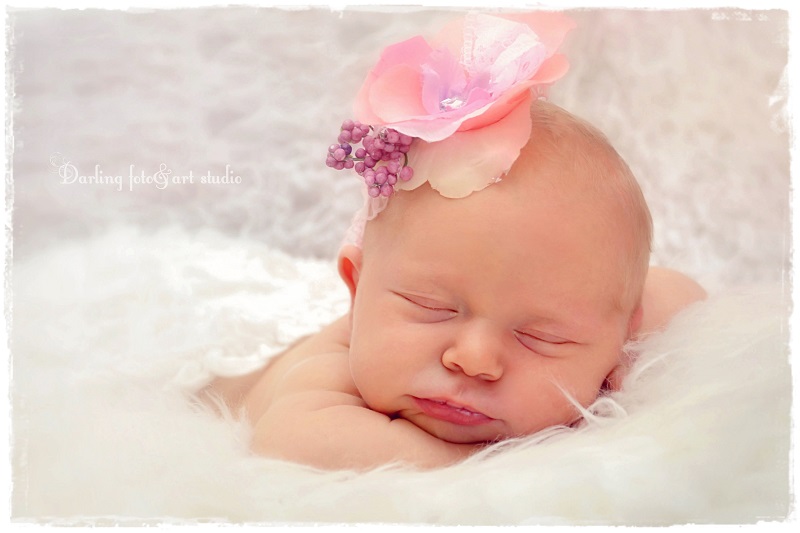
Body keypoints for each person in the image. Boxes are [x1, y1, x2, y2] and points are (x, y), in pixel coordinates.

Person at [200, 12, 706, 470]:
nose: (474, 359)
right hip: (222, 371)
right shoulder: (332, 376)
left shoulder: (602, 320)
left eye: (542, 337)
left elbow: (679, 295)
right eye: (432, 308)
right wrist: (493, 463)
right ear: (357, 288)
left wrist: (621, 352)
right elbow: (293, 442)